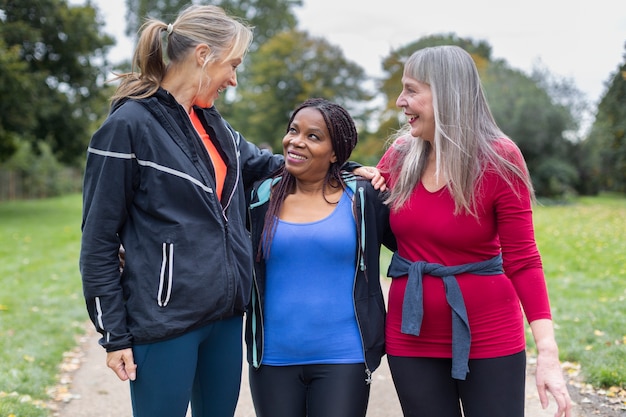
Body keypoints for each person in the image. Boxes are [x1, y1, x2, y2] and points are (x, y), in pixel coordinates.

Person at [78, 5, 285, 417]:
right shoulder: (128, 127)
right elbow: (98, 240)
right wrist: (115, 335)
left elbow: (273, 166)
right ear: (204, 55)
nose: (234, 79)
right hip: (164, 322)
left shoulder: (215, 126)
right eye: (233, 65)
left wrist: (344, 167)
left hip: (226, 316)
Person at [376, 45, 573, 417]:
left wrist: (547, 352)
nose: (401, 101)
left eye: (412, 89)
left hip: (490, 334)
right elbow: (363, 222)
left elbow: (524, 260)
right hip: (411, 336)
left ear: (447, 93)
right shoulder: (399, 156)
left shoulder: (500, 159)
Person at [245, 98, 397, 417]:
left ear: (335, 153)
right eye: (293, 131)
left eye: (313, 136)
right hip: (273, 357)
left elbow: (414, 243)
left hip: (344, 357)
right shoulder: (260, 197)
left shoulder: (363, 197)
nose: (296, 141)